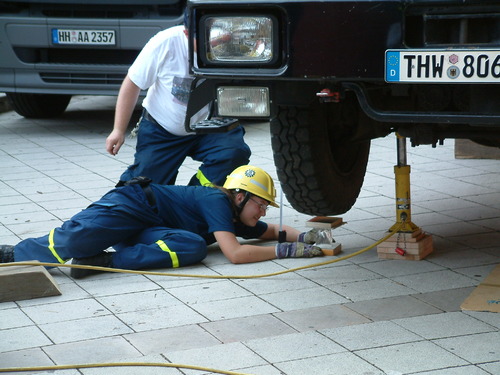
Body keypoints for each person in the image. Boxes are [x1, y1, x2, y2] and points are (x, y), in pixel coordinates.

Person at [0, 166, 324, 279]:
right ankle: (15, 255)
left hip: (147, 229)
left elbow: (275, 231)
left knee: (194, 245)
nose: (264, 213)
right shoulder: (215, 200)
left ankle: (102, 262)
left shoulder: (237, 216)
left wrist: (314, 237)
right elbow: (235, 255)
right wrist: (291, 251)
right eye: (261, 204)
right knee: (74, 240)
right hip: (132, 204)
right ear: (239, 196)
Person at [106, 8, 250, 187]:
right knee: (146, 188)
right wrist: (118, 130)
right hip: (162, 129)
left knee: (233, 153)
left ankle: (195, 198)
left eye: (215, 36)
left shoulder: (228, 46)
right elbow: (132, 83)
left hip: (207, 127)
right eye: (202, 38)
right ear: (186, 32)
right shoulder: (165, 42)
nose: (211, 43)